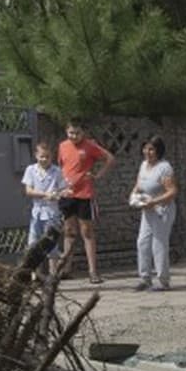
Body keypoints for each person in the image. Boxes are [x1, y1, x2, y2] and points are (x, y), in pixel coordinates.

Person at [53, 118, 114, 283]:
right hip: (67, 194)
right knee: (69, 231)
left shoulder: (90, 146)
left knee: (86, 231)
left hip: (84, 194)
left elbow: (110, 158)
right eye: (71, 132)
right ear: (67, 132)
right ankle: (66, 268)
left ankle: (92, 271)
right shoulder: (62, 146)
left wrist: (98, 175)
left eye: (77, 132)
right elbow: (61, 168)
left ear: (83, 132)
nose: (74, 136)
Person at [129, 136, 179, 291]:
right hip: (148, 210)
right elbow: (139, 184)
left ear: (158, 150)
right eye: (145, 148)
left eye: (151, 149)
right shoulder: (144, 165)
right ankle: (145, 278)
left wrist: (154, 202)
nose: (147, 152)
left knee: (159, 244)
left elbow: (172, 191)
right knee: (142, 243)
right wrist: (133, 196)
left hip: (162, 211)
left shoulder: (164, 167)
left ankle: (163, 281)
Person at [20, 140, 63, 271]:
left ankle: (52, 275)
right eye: (41, 157)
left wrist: (57, 194)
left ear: (52, 156)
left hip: (52, 213)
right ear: (36, 156)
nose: (44, 159)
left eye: (47, 157)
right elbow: (28, 191)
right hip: (36, 213)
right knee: (33, 244)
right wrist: (45, 194)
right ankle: (34, 275)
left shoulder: (57, 171)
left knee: (51, 245)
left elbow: (62, 190)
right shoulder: (31, 170)